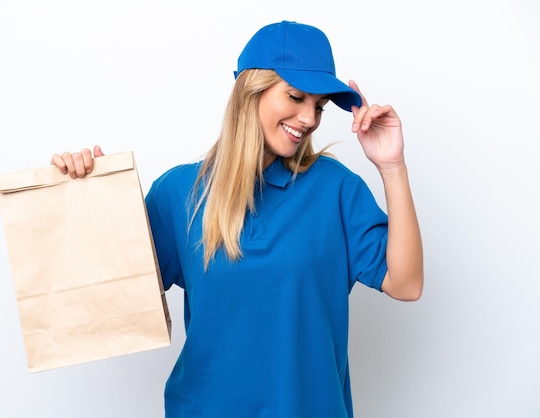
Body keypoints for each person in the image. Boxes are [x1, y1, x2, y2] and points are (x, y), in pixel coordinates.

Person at [51, 20, 423, 418]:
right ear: (251, 91)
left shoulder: (335, 189)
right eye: (296, 96)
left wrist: (392, 165)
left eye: (318, 106)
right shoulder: (180, 194)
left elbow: (406, 283)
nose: (309, 118)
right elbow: (109, 303)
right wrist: (90, 196)